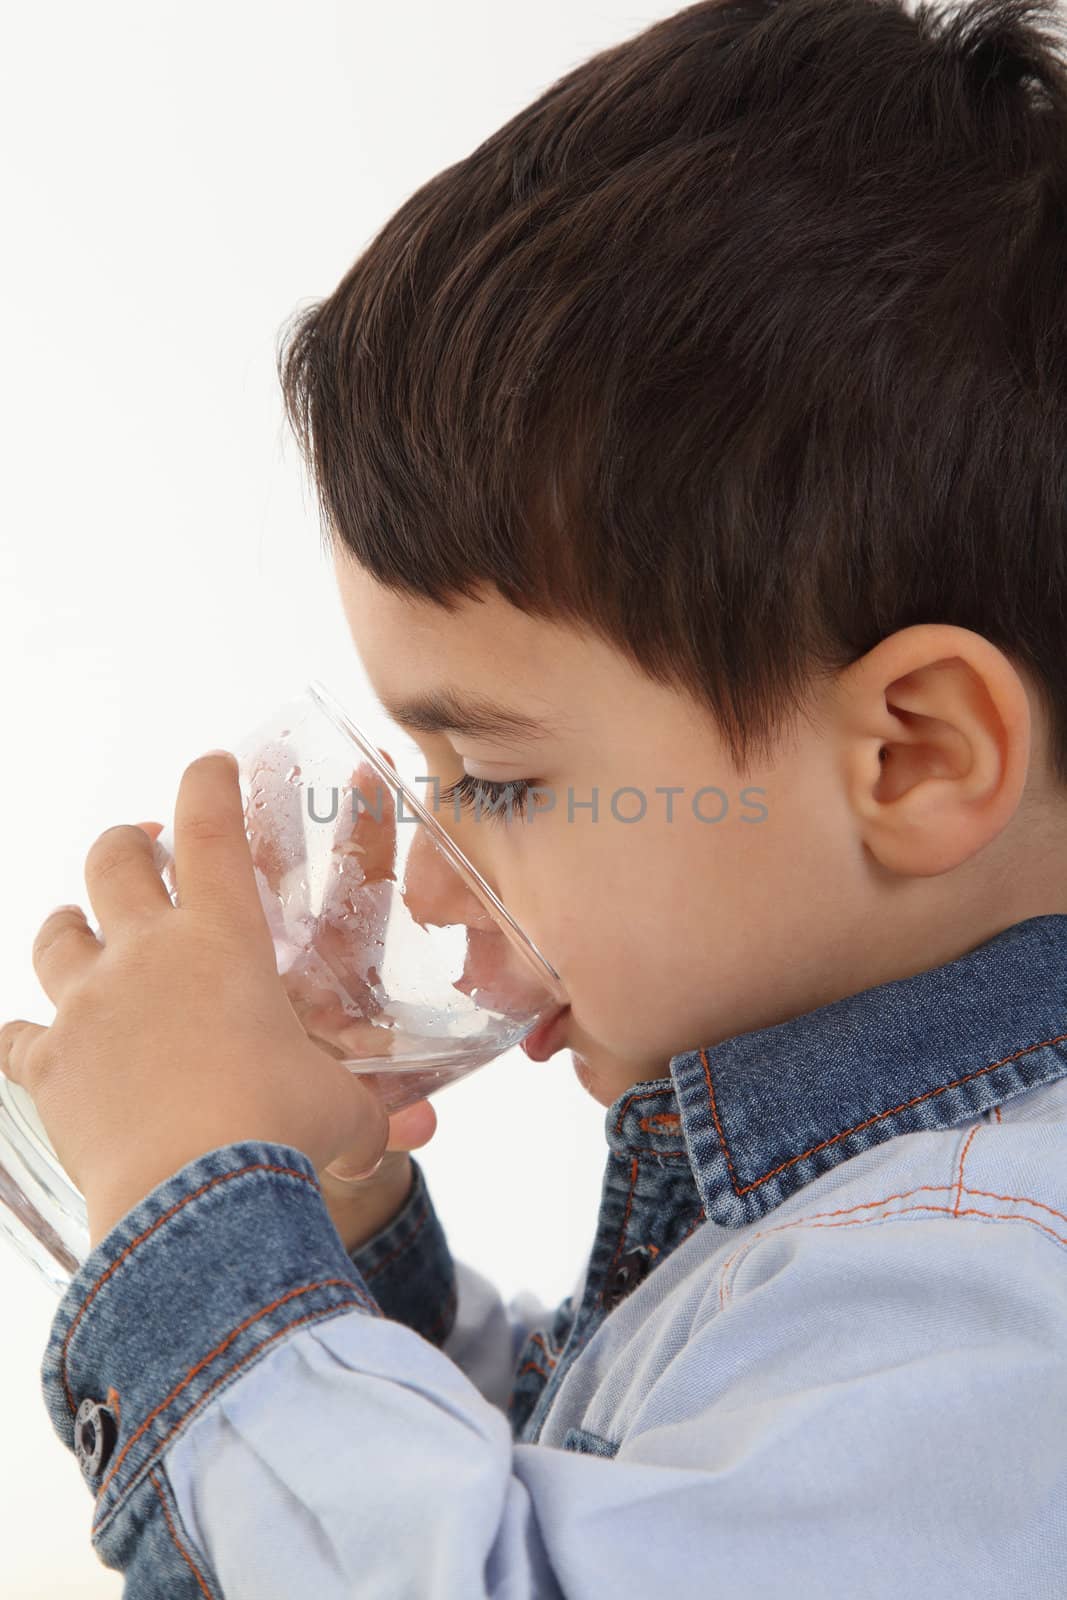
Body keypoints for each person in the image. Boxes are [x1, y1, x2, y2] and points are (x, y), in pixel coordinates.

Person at [6, 0, 1067, 1592]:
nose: (425, 878)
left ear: (912, 754)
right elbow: (600, 1502)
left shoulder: (982, 1292)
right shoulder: (875, 1221)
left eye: (495, 777)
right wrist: (335, 1238)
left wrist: (196, 1208)